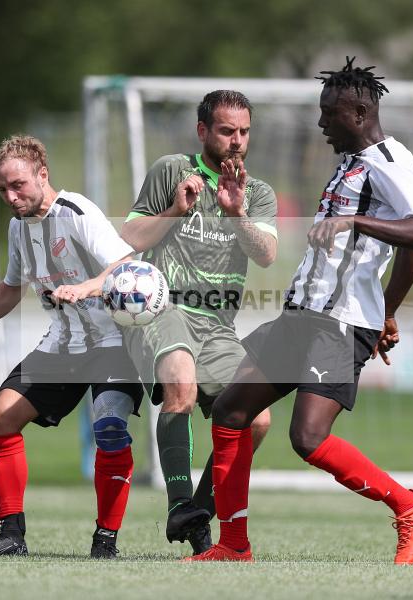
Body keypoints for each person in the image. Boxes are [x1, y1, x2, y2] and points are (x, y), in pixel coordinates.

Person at [186, 58, 413, 564]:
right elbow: (406, 247)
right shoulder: (352, 163)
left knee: (307, 437)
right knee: (230, 410)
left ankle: (411, 506)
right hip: (303, 315)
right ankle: (233, 544)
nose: (321, 123)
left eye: (330, 113)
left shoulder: (390, 163)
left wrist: (357, 225)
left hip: (340, 324)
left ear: (360, 112)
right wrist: (389, 309)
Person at [0, 135, 143, 559]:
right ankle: (10, 535)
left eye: (18, 185)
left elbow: (126, 264)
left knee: (109, 429)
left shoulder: (77, 212)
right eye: (2, 190)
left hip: (113, 343)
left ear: (42, 174)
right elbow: (11, 288)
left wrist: (87, 287)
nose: (11, 197)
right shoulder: (19, 227)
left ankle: (105, 540)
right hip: (62, 346)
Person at [120, 90, 278, 555]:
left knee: (258, 419)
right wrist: (175, 210)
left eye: (244, 132)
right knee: (182, 387)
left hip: (217, 327)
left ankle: (199, 511)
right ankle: (178, 502)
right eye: (227, 130)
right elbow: (130, 236)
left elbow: (266, 255)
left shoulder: (259, 193)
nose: (236, 141)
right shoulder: (172, 170)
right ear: (203, 130)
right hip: (163, 310)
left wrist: (237, 214)